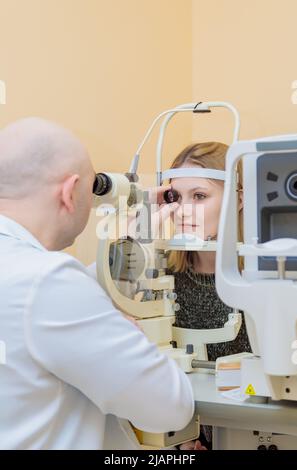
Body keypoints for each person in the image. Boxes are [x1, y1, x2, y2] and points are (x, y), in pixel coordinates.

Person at [0, 117, 194, 450]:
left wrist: (131, 244)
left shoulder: (34, 276)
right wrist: (127, 330)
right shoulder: (48, 281)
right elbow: (169, 408)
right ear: (69, 192)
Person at [166, 142, 252, 449]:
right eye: (175, 197)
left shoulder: (263, 278)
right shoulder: (159, 277)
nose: (183, 210)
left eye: (199, 196)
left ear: (237, 199)